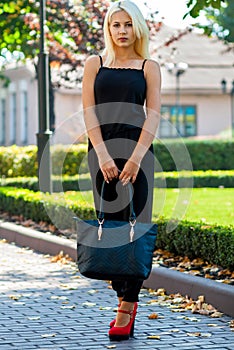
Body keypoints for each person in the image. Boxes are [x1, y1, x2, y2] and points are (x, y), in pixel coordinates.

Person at [82, 0, 161, 341]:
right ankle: (122, 297)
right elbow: (88, 112)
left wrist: (135, 159)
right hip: (101, 152)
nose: (122, 31)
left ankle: (127, 307)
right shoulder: (94, 64)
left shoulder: (149, 67)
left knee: (138, 230)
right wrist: (102, 155)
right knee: (112, 229)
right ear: (108, 29)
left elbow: (153, 115)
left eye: (128, 24)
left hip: (140, 153)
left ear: (138, 28)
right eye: (116, 25)